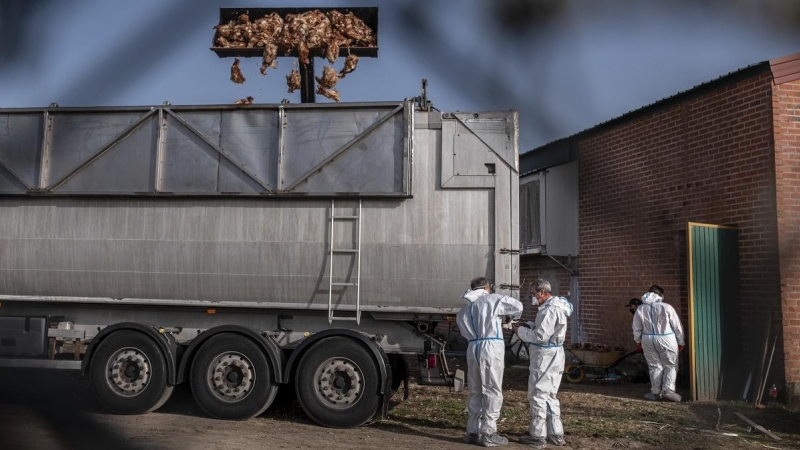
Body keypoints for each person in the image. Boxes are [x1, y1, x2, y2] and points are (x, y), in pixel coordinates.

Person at [457, 277, 523, 447]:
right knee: (492, 389)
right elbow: (517, 306)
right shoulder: (492, 299)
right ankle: (489, 432)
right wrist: (512, 318)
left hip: (473, 347)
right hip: (491, 345)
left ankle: (472, 430)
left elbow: (463, 331)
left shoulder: (464, 309)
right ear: (487, 287)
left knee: (475, 389)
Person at [513, 279, 573, 449]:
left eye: (533, 294)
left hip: (544, 355)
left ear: (542, 292)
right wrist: (529, 325)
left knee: (538, 393)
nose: (532, 297)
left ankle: (537, 436)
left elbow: (540, 336)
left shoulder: (549, 310)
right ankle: (555, 433)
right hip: (555, 353)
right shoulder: (557, 307)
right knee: (550, 394)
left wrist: (520, 330)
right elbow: (545, 329)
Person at [632, 285, 685, 402]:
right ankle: (668, 391)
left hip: (647, 339)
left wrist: (638, 341)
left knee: (654, 366)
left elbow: (636, 327)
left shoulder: (641, 309)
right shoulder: (667, 307)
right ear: (661, 295)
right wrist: (681, 341)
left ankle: (655, 392)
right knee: (670, 365)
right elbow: (677, 326)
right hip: (666, 338)